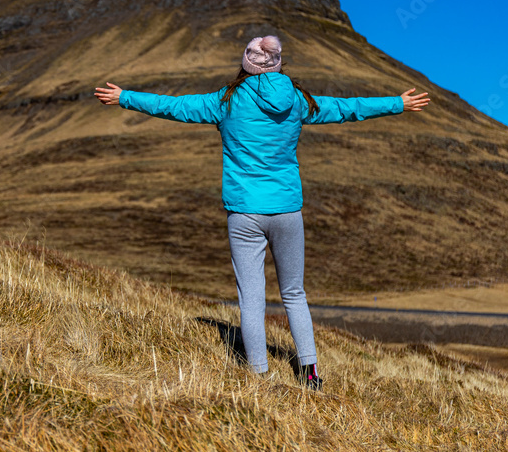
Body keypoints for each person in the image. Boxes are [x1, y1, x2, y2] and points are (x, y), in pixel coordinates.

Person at [94, 35, 430, 390]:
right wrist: (397, 103)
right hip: (287, 210)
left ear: (247, 65)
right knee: (294, 293)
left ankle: (258, 375)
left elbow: (173, 106)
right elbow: (347, 108)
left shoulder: (224, 101)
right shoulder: (299, 101)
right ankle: (310, 371)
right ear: (280, 63)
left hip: (244, 212)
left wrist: (124, 97)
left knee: (251, 298)